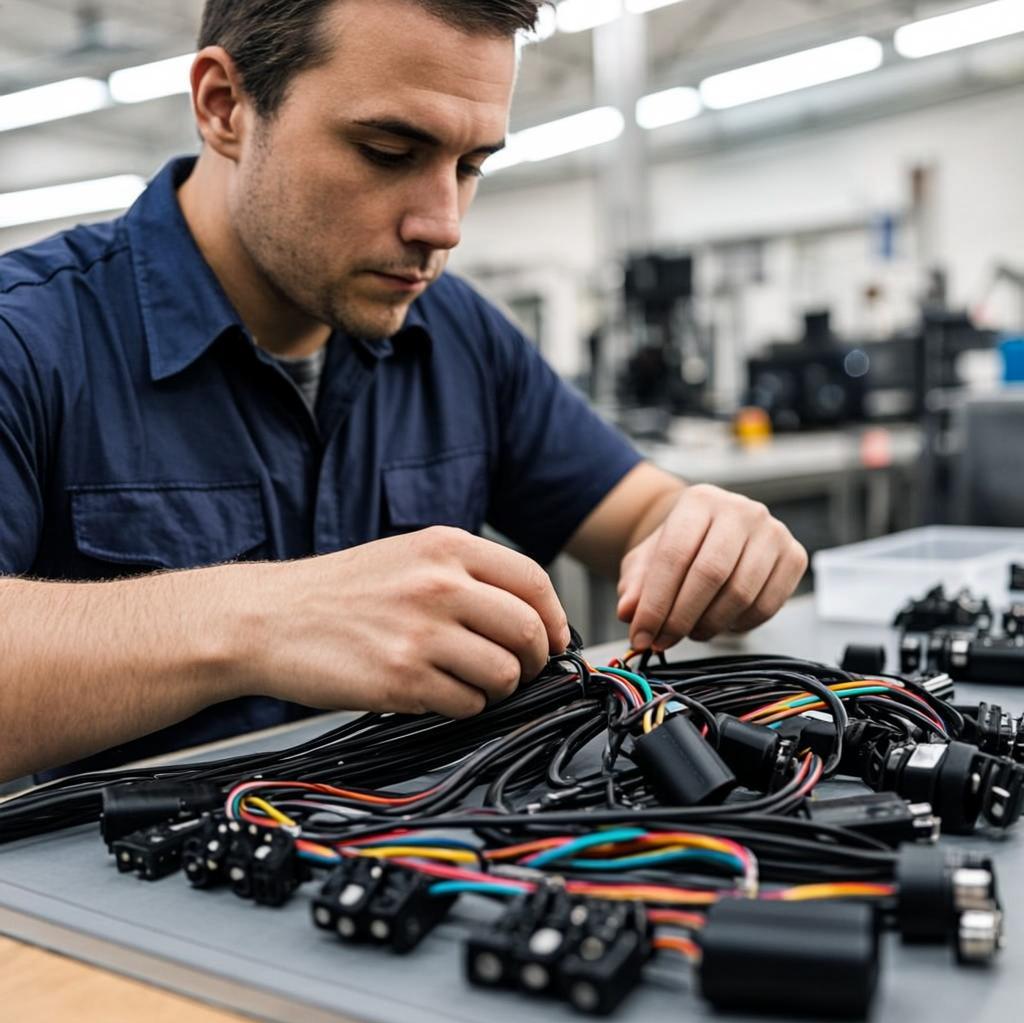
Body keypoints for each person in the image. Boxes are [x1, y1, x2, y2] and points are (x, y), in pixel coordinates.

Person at [0, 0, 807, 783]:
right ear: (225, 106)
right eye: (388, 152)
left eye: (471, 166)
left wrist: (708, 536)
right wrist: (264, 618)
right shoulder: (30, 338)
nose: (444, 224)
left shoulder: (458, 333)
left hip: (433, 841)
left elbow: (638, 516)